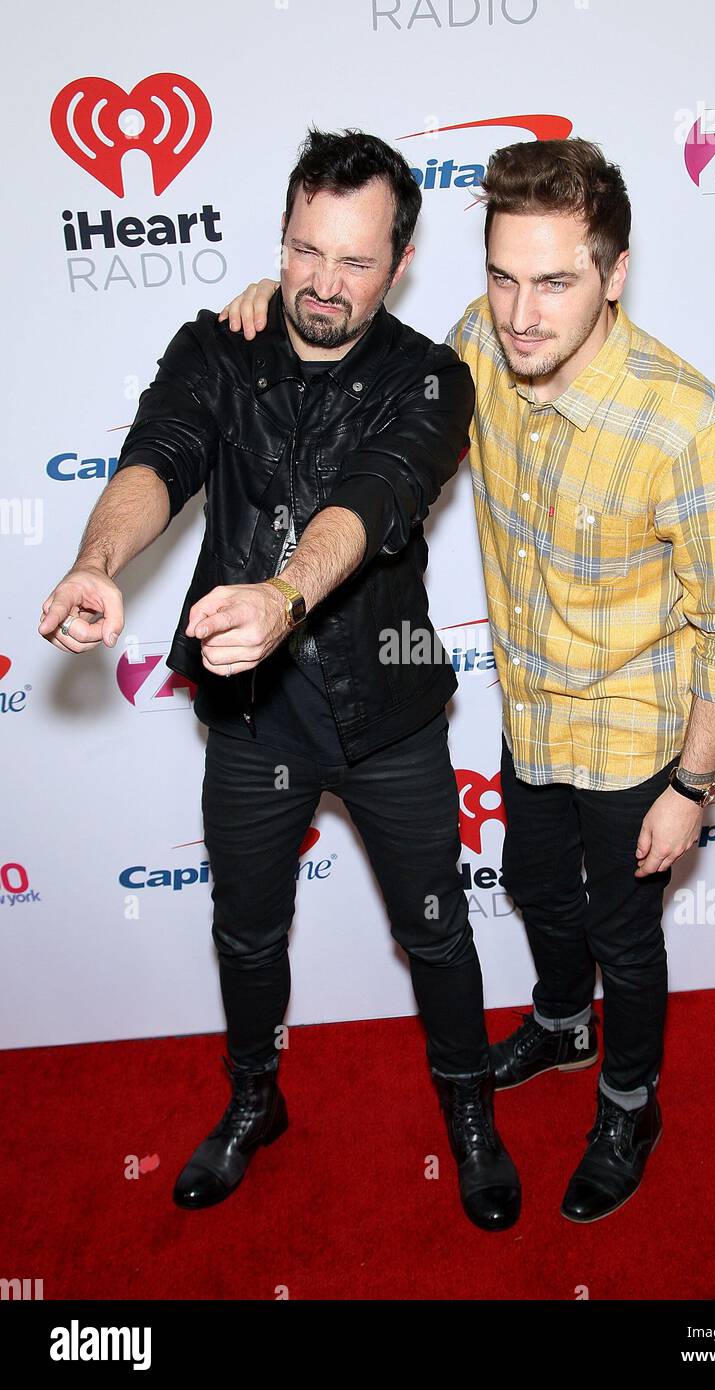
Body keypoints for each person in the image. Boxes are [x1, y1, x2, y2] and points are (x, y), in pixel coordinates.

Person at [220, 134, 715, 1223]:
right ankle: (564, 1026)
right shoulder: (481, 342)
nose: (522, 313)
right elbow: (368, 356)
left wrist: (691, 789)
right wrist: (274, 308)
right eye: (503, 276)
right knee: (529, 886)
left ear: (613, 273)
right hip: (531, 720)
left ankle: (627, 1100)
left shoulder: (686, 428)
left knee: (625, 934)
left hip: (634, 744)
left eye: (555, 280)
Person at [37, 128, 521, 1233]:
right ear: (282, 238)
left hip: (390, 714)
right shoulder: (217, 347)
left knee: (437, 927)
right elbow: (159, 453)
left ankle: (470, 1113)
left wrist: (285, 593)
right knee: (246, 931)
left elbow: (376, 492)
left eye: (353, 260)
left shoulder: (432, 379)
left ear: (398, 262)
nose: (321, 282)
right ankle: (255, 1100)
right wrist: (96, 561)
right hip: (253, 717)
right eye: (305, 250)